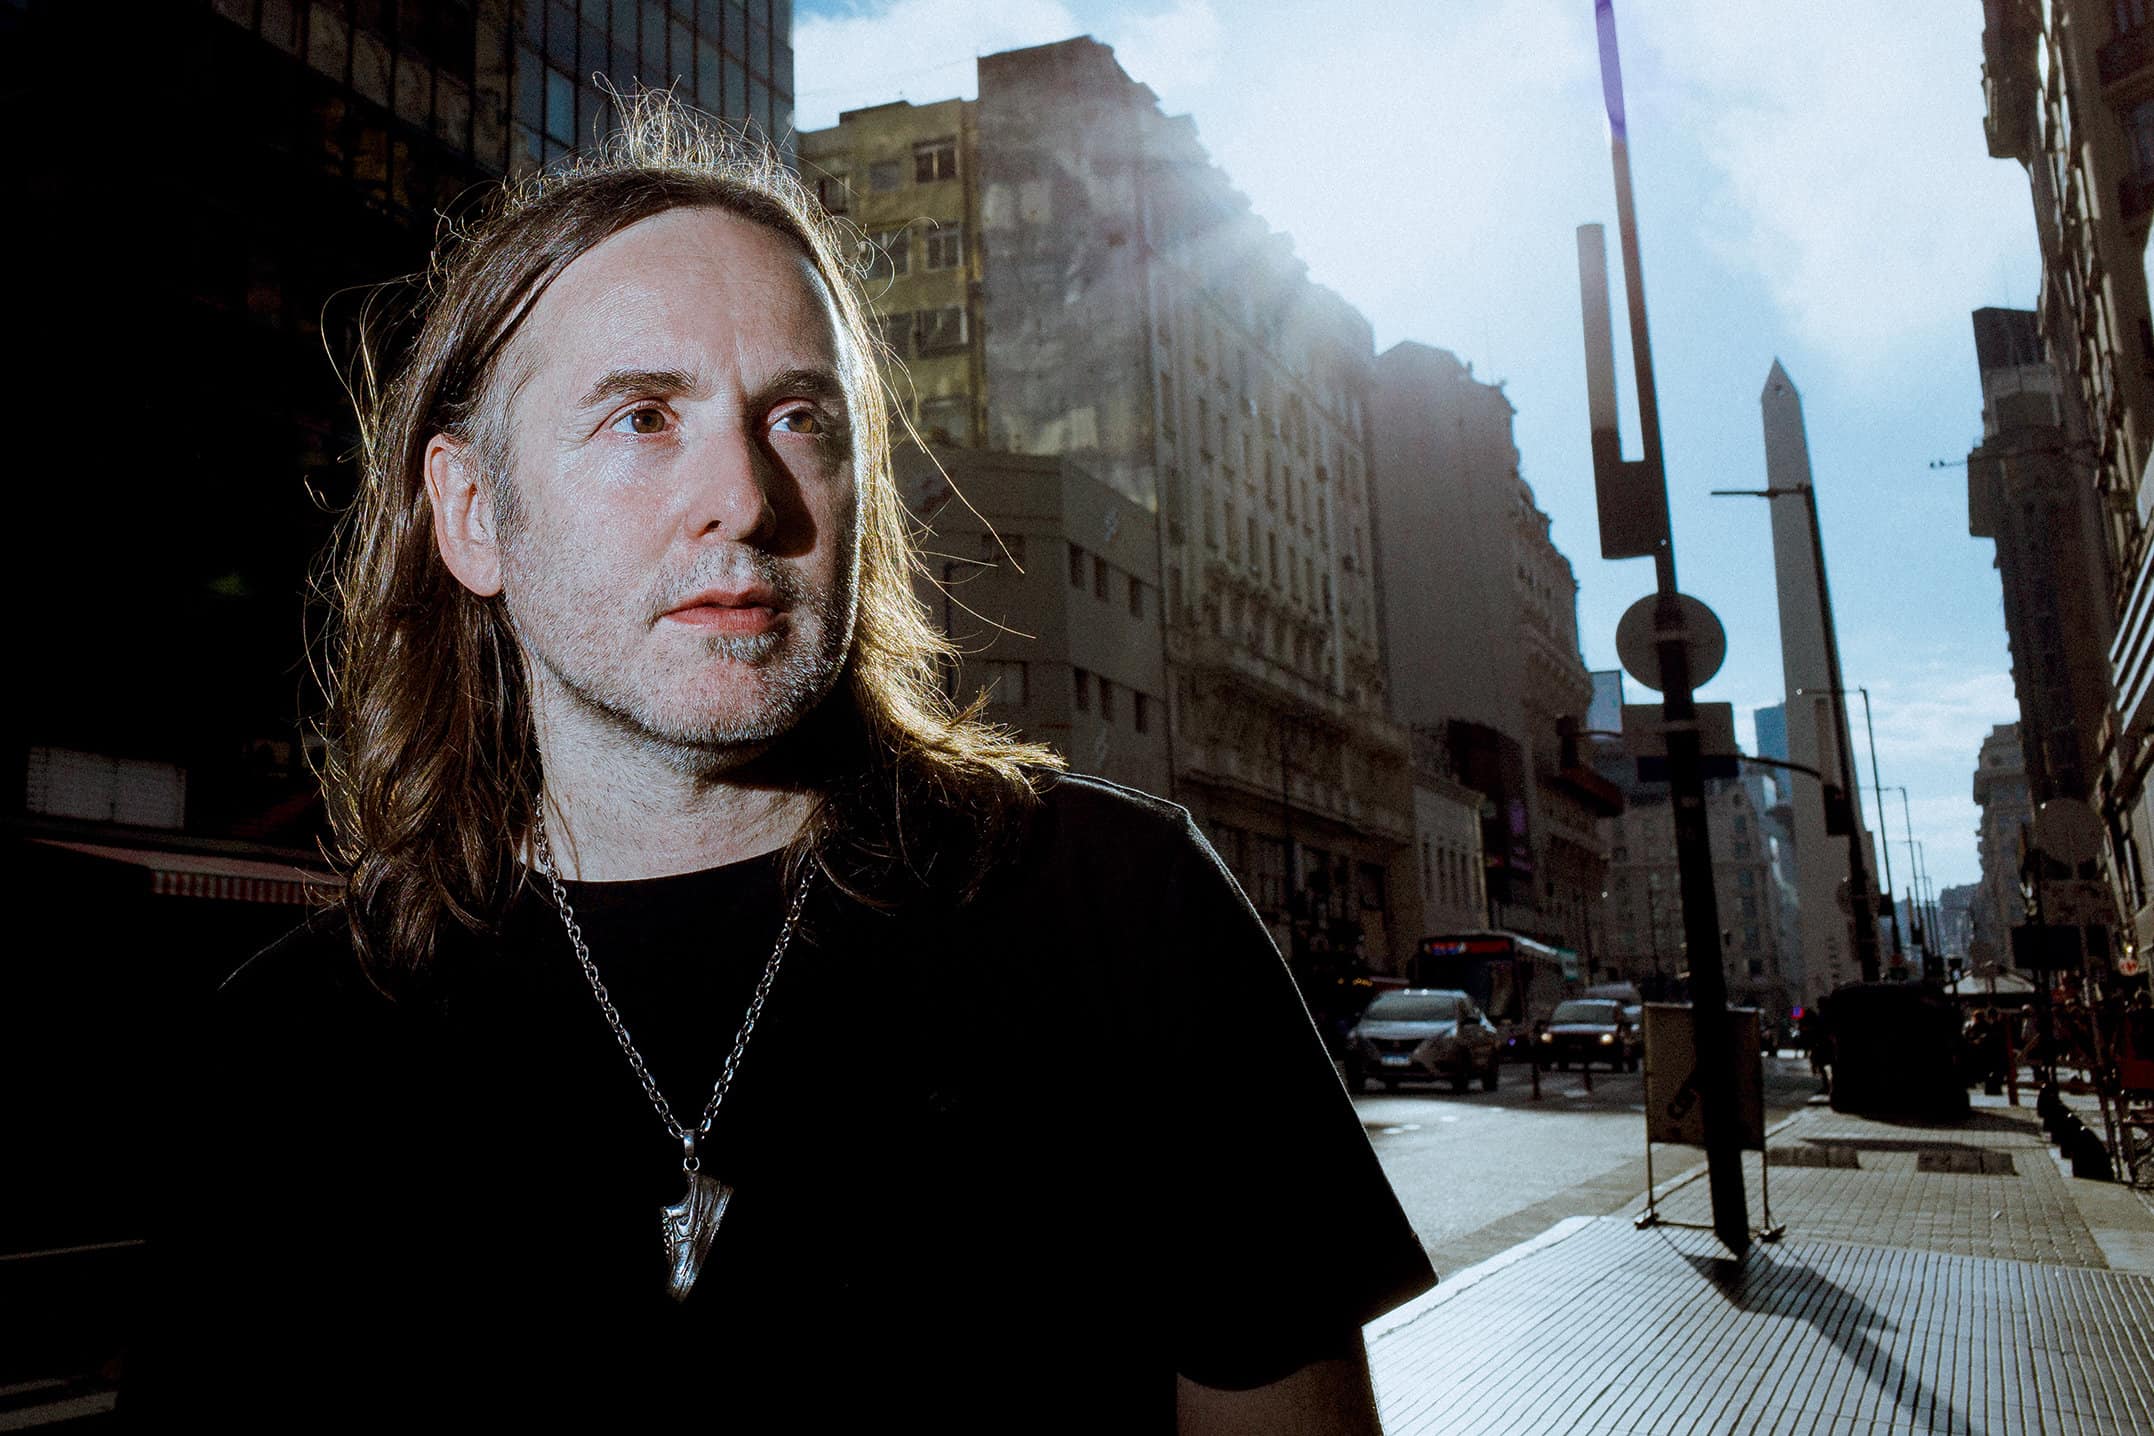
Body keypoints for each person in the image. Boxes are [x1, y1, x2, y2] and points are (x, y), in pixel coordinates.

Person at [121, 96, 1432, 1431]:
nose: (746, 500)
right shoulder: (289, 1045)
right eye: (641, 417)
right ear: (472, 512)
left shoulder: (1118, 907)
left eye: (800, 419)